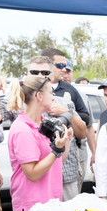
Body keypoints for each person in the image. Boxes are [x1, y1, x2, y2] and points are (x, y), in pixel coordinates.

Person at [7, 75, 72, 211]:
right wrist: (56, 150)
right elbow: (33, 174)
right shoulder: (22, 130)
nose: (54, 98)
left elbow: (58, 160)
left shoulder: (44, 123)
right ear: (39, 96)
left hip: (51, 203)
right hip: (33, 208)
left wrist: (66, 140)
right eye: (51, 93)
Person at [28, 56, 87, 201]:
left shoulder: (64, 101)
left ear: (51, 75)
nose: (40, 77)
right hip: (37, 178)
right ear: (27, 74)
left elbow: (83, 132)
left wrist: (67, 113)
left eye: (45, 73)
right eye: (35, 72)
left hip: (65, 175)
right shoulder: (19, 104)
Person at [41, 48, 95, 195]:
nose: (64, 70)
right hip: (40, 173)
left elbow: (85, 123)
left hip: (67, 170)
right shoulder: (29, 93)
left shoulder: (69, 93)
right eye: (60, 66)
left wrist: (66, 114)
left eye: (65, 66)